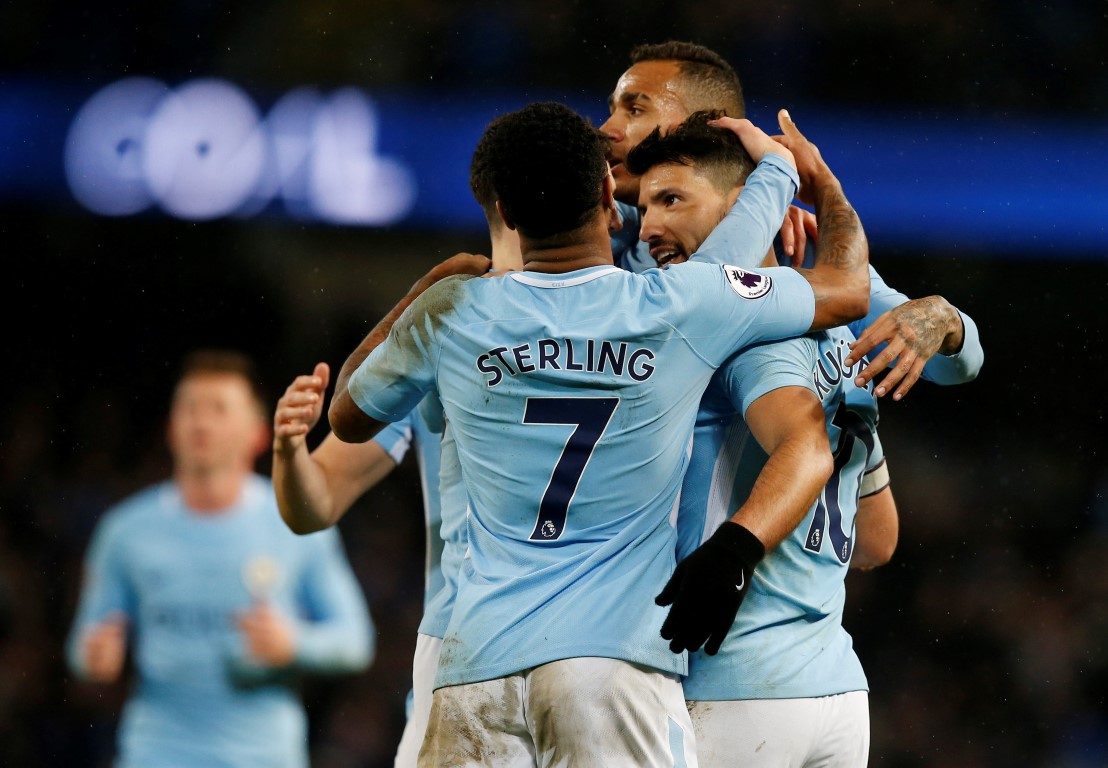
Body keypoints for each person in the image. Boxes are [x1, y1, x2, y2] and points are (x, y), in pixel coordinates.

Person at [328, 100, 870, 766]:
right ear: (610, 194)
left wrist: (423, 292)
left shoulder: (454, 311)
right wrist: (816, 187)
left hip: (477, 664)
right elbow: (846, 289)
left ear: (507, 212)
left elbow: (348, 417)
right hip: (613, 667)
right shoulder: (679, 303)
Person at [627, 110, 904, 766]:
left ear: (750, 205)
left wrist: (734, 550)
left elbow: (802, 445)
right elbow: (877, 538)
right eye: (643, 208)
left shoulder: (737, 332)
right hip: (834, 688)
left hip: (730, 681)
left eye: (672, 201)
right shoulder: (842, 338)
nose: (650, 228)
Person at [272, 141, 524, 768]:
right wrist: (288, 451)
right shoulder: (443, 339)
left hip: (562, 667)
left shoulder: (633, 311)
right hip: (471, 669)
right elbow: (316, 501)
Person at [601, 40, 983, 400]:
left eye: (635, 109)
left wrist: (941, 319)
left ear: (709, 124)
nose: (607, 130)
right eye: (613, 108)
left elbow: (948, 365)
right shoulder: (587, 240)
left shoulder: (790, 244)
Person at [66, 349, 374, 768]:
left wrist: (294, 643)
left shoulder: (295, 524)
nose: (202, 422)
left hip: (263, 757)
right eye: (190, 408)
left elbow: (354, 641)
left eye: (219, 409)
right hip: (155, 754)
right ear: (170, 428)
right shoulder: (126, 532)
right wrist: (94, 658)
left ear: (258, 433)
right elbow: (84, 643)